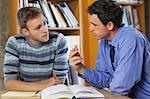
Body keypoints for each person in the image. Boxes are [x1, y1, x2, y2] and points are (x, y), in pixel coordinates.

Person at [69, 0, 150, 98]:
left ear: (110, 25)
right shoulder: (105, 41)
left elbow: (121, 86)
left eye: (94, 24)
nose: (90, 28)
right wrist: (81, 68)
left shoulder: (131, 38)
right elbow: (106, 80)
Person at [3, 7, 69, 91]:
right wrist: (45, 85)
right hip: (25, 96)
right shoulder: (14, 43)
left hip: (51, 94)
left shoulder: (59, 41)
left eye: (45, 23)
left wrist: (23, 85)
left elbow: (58, 81)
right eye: (38, 27)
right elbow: (9, 83)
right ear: (25, 32)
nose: (45, 30)